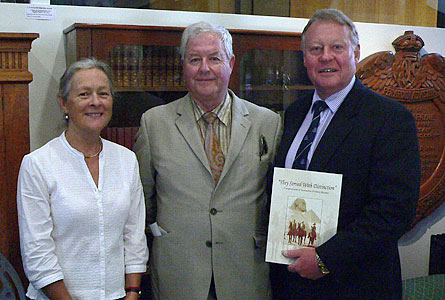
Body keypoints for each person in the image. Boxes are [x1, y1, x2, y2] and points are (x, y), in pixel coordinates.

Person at [269, 8, 421, 300]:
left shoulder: (389, 118)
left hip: (354, 284)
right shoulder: (295, 113)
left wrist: (325, 259)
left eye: (337, 47)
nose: (326, 56)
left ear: (356, 52)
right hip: (291, 280)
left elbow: (394, 212)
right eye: (315, 49)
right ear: (305, 59)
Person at [133, 21, 282, 300]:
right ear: (183, 65)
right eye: (194, 59)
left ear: (231, 63)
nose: (204, 68)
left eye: (214, 58)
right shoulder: (154, 123)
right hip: (180, 272)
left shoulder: (268, 123)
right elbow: (143, 202)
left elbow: (274, 199)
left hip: (246, 273)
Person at [17, 58, 149, 300]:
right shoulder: (38, 164)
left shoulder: (127, 159)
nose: (95, 102)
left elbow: (134, 237)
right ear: (64, 103)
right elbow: (37, 252)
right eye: (84, 94)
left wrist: (132, 293)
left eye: (103, 93)